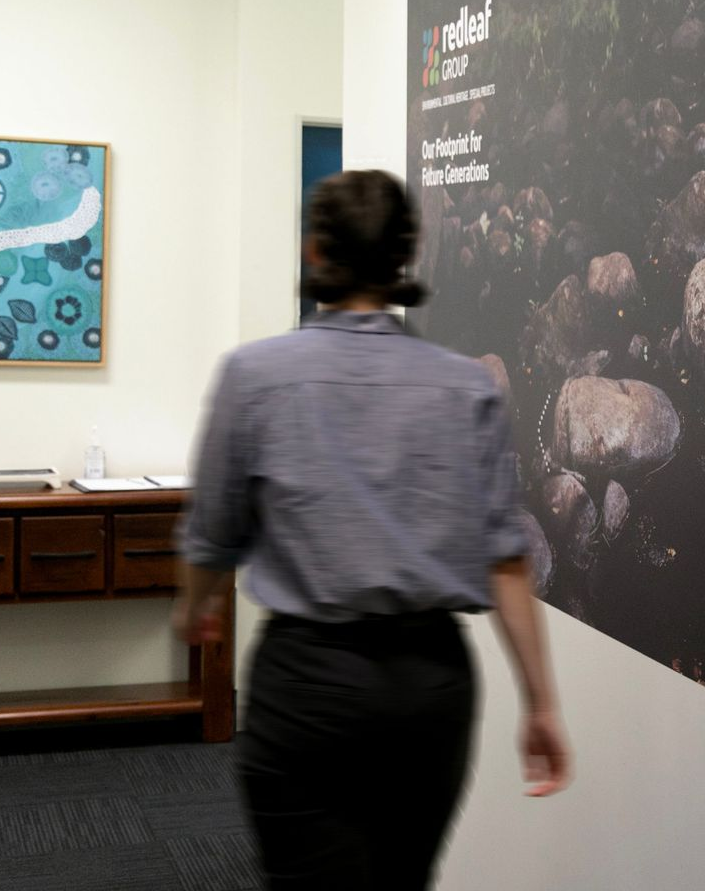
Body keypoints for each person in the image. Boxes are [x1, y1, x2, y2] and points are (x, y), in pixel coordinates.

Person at [175, 169, 569, 890]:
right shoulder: (466, 387)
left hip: (306, 685)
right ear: (407, 254)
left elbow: (213, 537)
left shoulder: (254, 376)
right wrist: (540, 703)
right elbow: (506, 561)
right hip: (430, 692)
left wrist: (193, 606)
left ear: (314, 252)